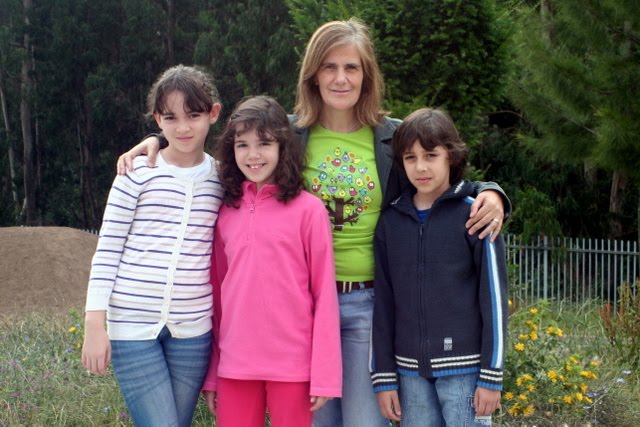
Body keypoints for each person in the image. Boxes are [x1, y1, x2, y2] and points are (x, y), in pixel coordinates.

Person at [117, 19, 510, 427]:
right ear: (313, 75)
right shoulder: (288, 132)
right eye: (329, 67)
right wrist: (158, 143)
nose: (340, 78)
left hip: (367, 305)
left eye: (351, 67)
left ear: (367, 75)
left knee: (363, 422)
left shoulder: (392, 138)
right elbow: (234, 151)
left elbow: (440, 171)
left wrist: (493, 192)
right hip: (298, 311)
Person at [81, 64, 223, 427]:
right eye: (171, 118)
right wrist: (94, 324)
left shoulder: (223, 178)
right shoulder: (135, 173)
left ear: (213, 113)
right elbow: (107, 250)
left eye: (193, 115)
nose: (183, 127)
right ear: (158, 119)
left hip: (193, 329)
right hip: (131, 326)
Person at [201, 96, 341, 427]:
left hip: (293, 367)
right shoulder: (225, 213)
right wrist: (213, 373)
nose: (253, 155)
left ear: (282, 146)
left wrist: (324, 374)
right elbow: (218, 299)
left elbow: (324, 295)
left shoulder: (309, 211)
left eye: (264, 143)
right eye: (243, 145)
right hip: (235, 364)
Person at [370, 108, 508, 426]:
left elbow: (494, 301)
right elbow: (383, 303)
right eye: (410, 158)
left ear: (451, 156)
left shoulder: (477, 215)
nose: (421, 167)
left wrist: (491, 375)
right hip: (410, 375)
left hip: (466, 371)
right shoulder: (390, 223)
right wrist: (384, 376)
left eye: (431, 155)